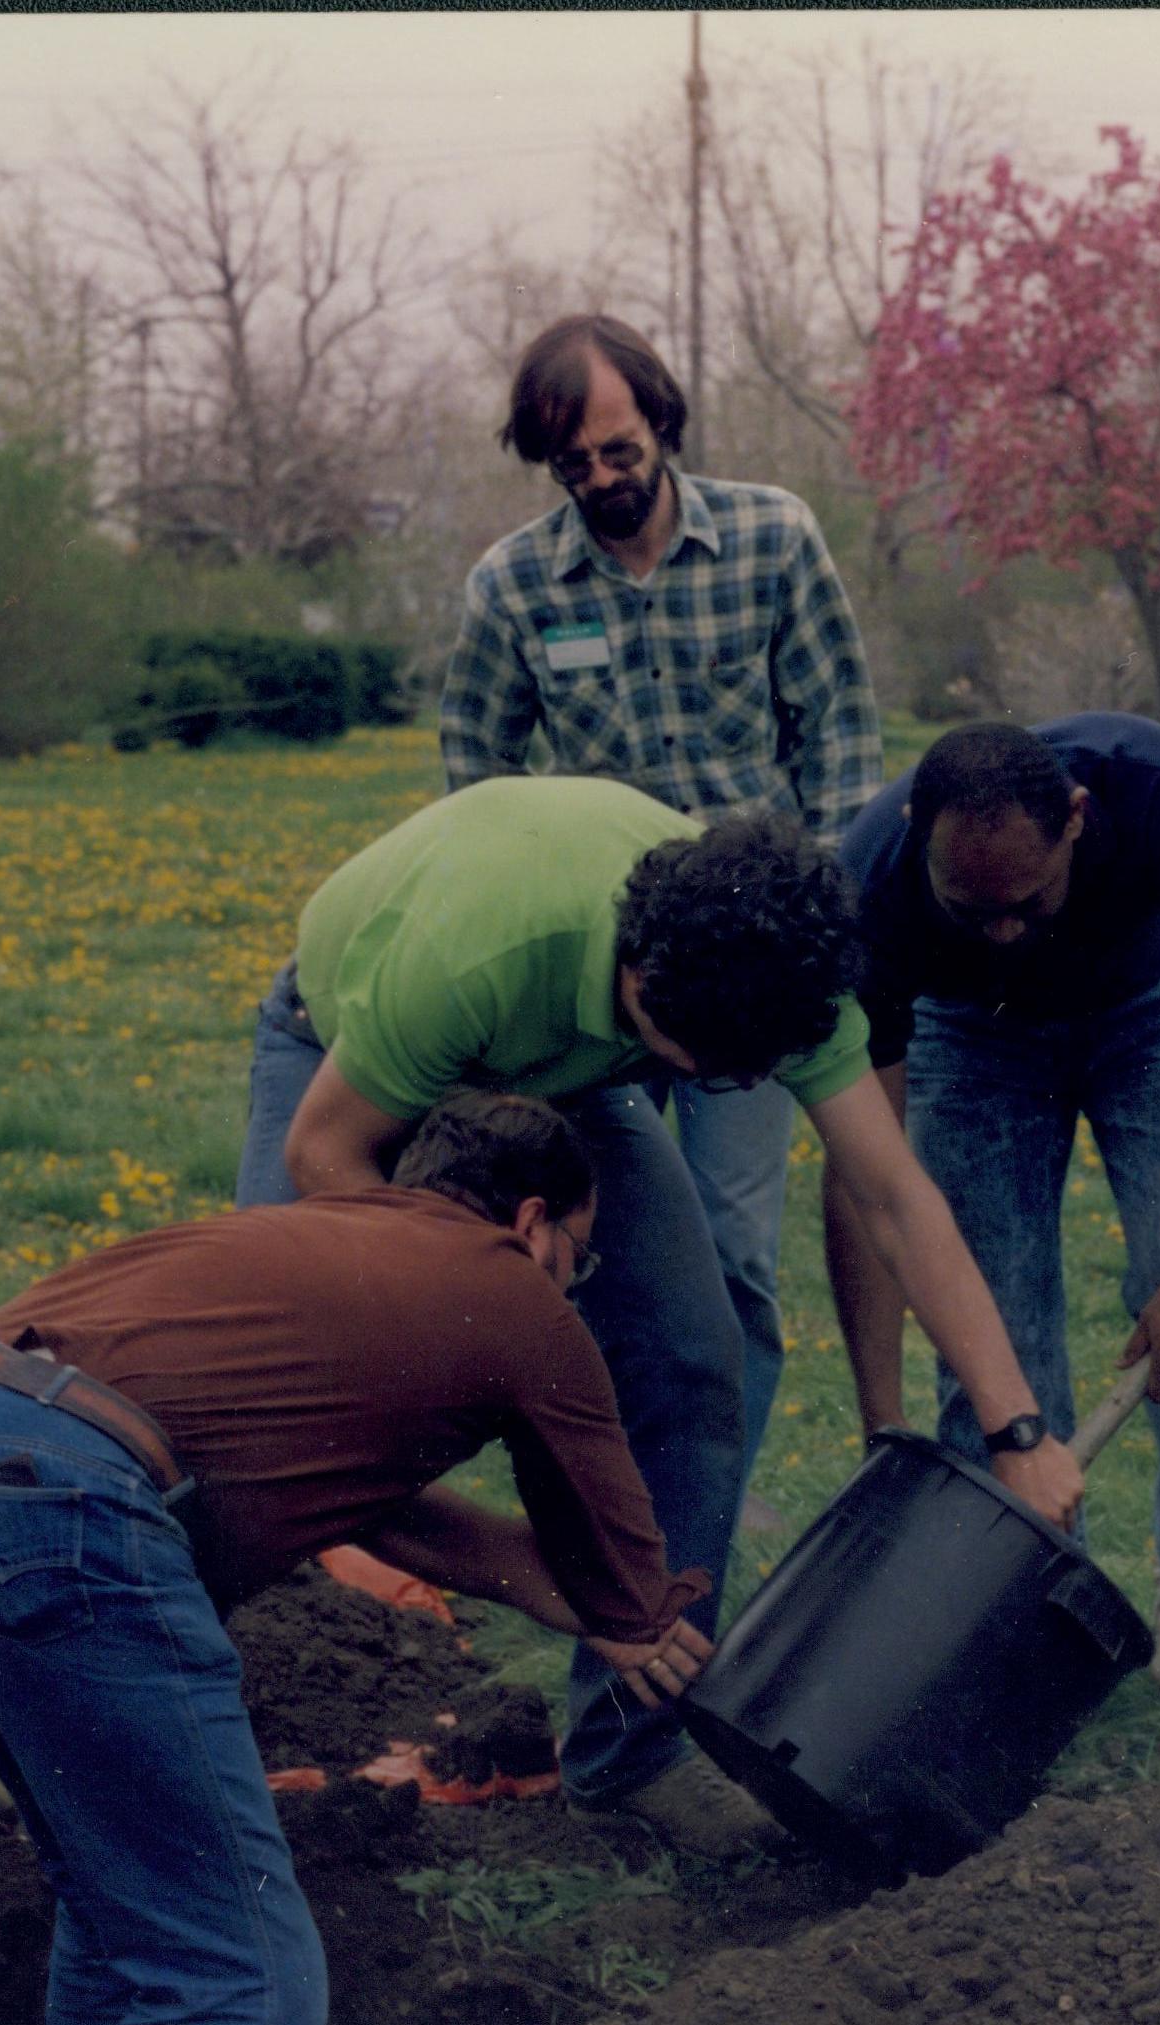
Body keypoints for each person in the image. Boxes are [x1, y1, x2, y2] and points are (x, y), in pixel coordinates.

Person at [233, 776, 1084, 1856]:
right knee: (264, 1400)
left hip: (576, 1076)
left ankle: (630, 1754)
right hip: (344, 1057)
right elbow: (326, 1154)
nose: (720, 1088)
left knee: (691, 1358)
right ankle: (102, 1727)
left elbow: (894, 1200)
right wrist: (489, 1325)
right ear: (639, 981)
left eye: (746, 1077)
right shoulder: (476, 952)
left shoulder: (783, 976)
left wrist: (1017, 1432)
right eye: (696, 1067)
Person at [0, 1093, 715, 2025]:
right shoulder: (510, 1288)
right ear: (534, 1221)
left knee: (126, 1913)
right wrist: (636, 1620)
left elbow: (388, 1515)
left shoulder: (325, 1242)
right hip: (65, 1505)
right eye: (574, 1261)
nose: (566, 1288)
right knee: (246, 1984)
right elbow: (623, 1569)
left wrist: (571, 1598)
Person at [438, 316, 883, 1525]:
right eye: (572, 466)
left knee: (735, 1258)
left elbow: (839, 736)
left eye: (618, 452)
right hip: (599, 980)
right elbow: (475, 777)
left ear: (663, 423)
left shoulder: (772, 540)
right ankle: (608, 1503)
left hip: (744, 980)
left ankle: (705, 1519)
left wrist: (822, 927)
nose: (601, 482)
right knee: (590, 1256)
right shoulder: (514, 587)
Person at [827, 718, 1160, 1699]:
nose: (1004, 930)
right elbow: (867, 1187)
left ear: (1078, 825)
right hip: (973, 1038)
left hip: (1152, 1007)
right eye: (972, 908)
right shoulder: (868, 887)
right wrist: (883, 1432)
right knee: (991, 1327)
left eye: (1027, 901)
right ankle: (1031, 1605)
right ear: (921, 831)